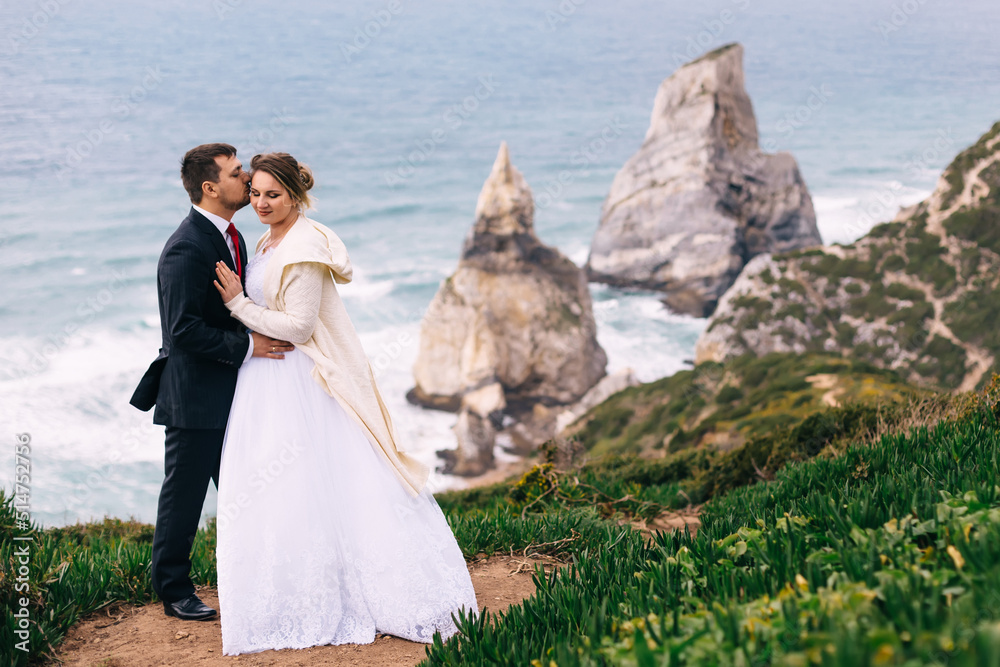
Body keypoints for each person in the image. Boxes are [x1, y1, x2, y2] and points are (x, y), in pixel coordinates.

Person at [212, 152, 478, 655]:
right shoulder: (268, 239)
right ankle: (297, 592)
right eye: (255, 193)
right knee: (286, 489)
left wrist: (237, 305)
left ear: (295, 194)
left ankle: (362, 592)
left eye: (274, 194)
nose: (262, 203)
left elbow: (299, 326)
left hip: (303, 378)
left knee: (330, 481)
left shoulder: (306, 246)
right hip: (267, 378)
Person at [130, 143, 294, 621]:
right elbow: (180, 330)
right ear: (210, 187)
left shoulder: (231, 235)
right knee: (183, 498)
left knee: (248, 491)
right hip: (195, 396)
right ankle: (174, 591)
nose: (247, 179)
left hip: (234, 391)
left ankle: (256, 577)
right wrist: (248, 347)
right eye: (237, 172)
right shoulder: (186, 246)